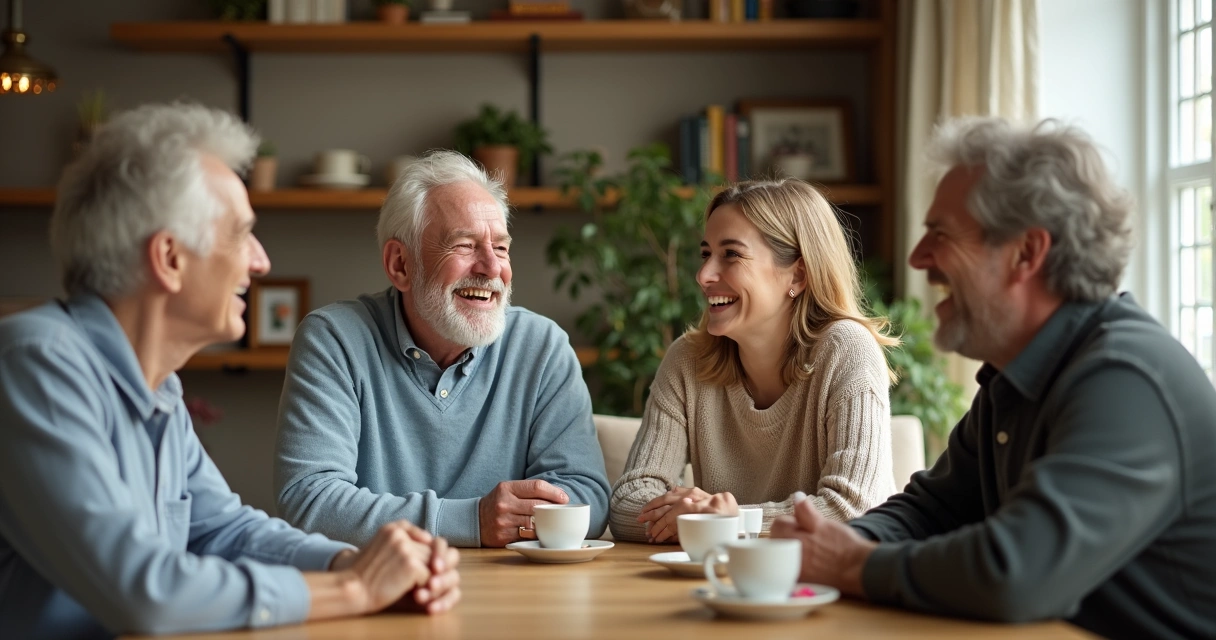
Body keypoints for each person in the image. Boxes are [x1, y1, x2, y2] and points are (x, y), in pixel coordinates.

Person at [0, 103, 461, 640]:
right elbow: (144, 592)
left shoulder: (158, 387)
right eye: (241, 234)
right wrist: (356, 590)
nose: (260, 262)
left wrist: (351, 562)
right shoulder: (36, 365)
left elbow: (225, 529)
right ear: (169, 258)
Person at [772, 117, 1216, 639]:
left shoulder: (1127, 379)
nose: (918, 258)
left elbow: (1015, 573)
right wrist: (827, 543)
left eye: (940, 234)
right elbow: (930, 511)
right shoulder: (1021, 374)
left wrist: (850, 565)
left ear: (1026, 253)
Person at [274, 150, 610, 548]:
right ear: (401, 264)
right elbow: (309, 500)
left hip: (515, 589)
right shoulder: (334, 340)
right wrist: (473, 521)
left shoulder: (542, 346)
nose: (491, 267)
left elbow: (586, 494)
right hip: (383, 589)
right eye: (465, 245)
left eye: (501, 248)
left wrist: (510, 521)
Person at [608, 179, 899, 543]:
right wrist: (701, 518)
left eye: (731, 254)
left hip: (833, 586)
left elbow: (854, 510)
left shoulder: (847, 350)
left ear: (798, 274)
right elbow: (625, 504)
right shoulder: (687, 360)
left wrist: (729, 521)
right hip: (720, 580)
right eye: (705, 254)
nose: (703, 276)